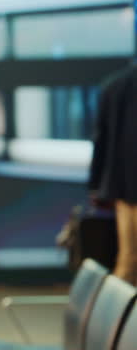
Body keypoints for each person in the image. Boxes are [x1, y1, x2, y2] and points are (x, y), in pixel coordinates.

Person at [89, 62, 137, 284]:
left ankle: (118, 316)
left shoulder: (113, 86)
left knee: (128, 258)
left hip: (123, 188)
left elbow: (101, 140)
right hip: (125, 187)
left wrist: (96, 184)